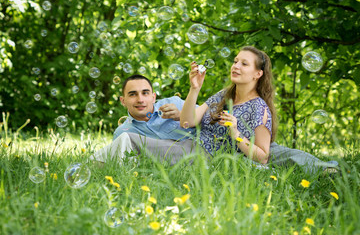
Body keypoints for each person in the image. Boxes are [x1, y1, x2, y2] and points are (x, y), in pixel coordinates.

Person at [92, 70, 338, 173]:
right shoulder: (125, 132)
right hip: (200, 152)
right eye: (132, 94)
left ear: (154, 95)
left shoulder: (175, 104)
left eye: (145, 93)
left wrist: (182, 114)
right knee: (254, 166)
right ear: (123, 101)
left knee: (277, 152)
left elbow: (194, 117)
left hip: (225, 141)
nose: (140, 99)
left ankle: (330, 169)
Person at [179, 46, 338, 172]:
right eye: (235, 61)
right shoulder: (223, 95)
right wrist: (195, 88)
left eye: (244, 63)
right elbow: (187, 121)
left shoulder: (259, 108)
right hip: (191, 146)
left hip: (206, 158)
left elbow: (262, 157)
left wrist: (236, 134)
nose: (236, 66)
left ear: (258, 74)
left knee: (154, 148)